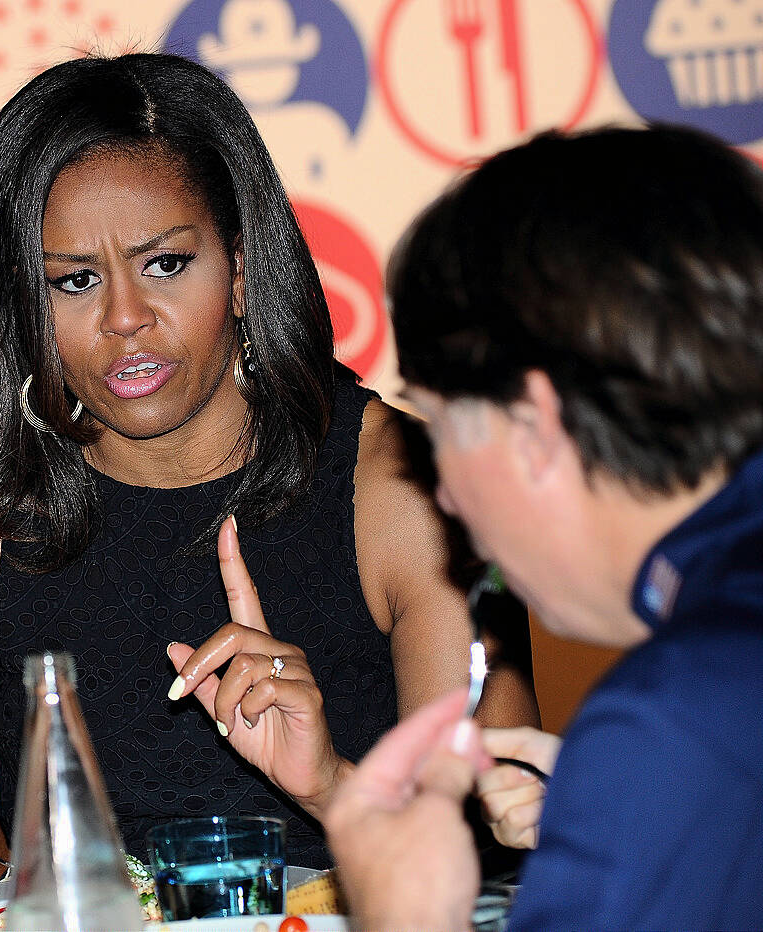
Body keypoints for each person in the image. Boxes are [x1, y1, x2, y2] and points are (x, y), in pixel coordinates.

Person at [0, 53, 536, 874]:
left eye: (166, 265)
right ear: (24, 307)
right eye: (73, 281)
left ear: (245, 269)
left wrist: (329, 786)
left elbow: (500, 861)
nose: (125, 319)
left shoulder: (410, 489)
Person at [320, 124, 763, 930]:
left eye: (444, 429)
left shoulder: (667, 726)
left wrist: (402, 918)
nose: (445, 497)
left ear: (532, 425)